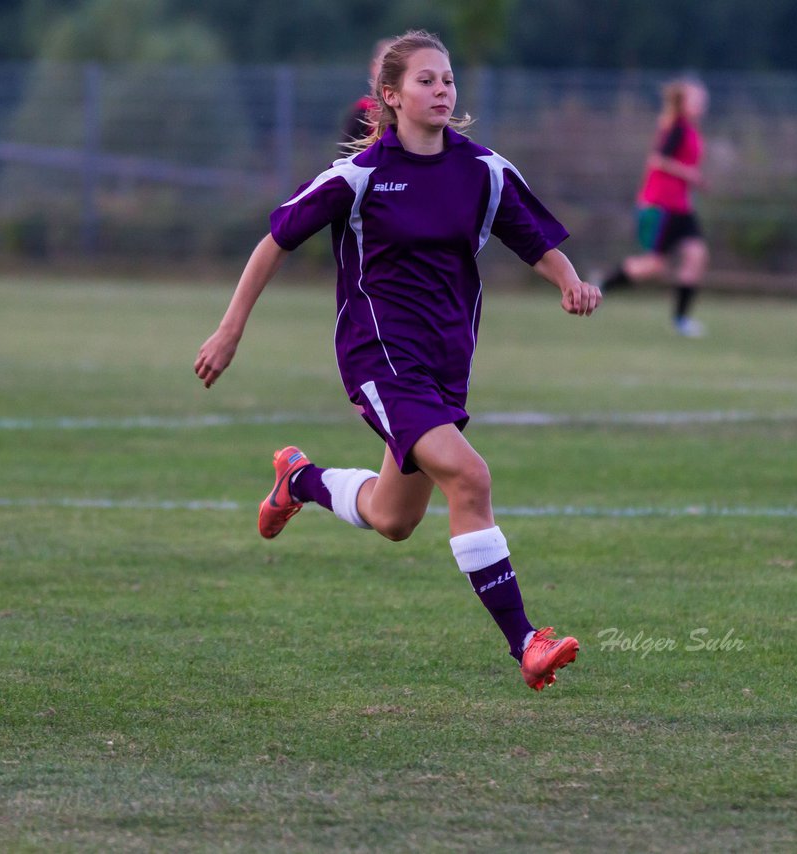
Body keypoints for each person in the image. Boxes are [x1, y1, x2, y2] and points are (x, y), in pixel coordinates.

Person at [195, 30, 601, 691]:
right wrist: (229, 330)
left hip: (445, 362)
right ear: (391, 96)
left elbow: (532, 239)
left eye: (447, 80)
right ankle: (525, 643)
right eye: (426, 81)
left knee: (394, 518)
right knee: (470, 479)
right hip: (379, 359)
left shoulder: (482, 171)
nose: (443, 90)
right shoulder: (359, 178)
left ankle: (299, 481)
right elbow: (274, 241)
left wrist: (569, 282)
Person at [600, 78, 710, 337]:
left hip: (681, 206)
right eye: (696, 99)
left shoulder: (690, 129)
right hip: (660, 205)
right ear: (683, 103)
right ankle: (601, 285)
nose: (702, 103)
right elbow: (658, 160)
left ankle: (681, 320)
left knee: (696, 255)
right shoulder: (677, 128)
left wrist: (691, 178)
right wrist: (691, 175)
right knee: (654, 265)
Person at [341, 38, 392, 145]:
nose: (391, 73)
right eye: (385, 65)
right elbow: (346, 155)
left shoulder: (413, 113)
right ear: (373, 67)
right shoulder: (362, 112)